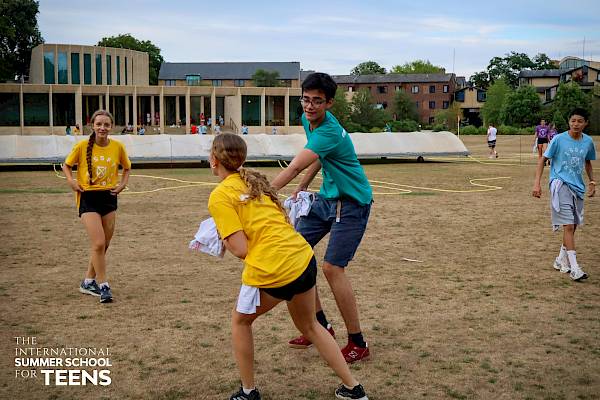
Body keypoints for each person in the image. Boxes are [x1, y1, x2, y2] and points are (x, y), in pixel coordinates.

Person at [207, 133, 369, 400]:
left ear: (214, 160)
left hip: (276, 268)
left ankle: (248, 391)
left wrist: (223, 235)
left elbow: (240, 249)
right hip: (302, 257)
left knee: (241, 321)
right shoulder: (254, 182)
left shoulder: (220, 196)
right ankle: (354, 388)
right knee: (310, 325)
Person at [271, 72, 373, 363]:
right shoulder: (308, 120)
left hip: (352, 203)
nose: (309, 106)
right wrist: (303, 186)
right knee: (295, 254)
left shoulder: (329, 130)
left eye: (317, 101)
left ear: (329, 103)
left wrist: (262, 194)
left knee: (331, 268)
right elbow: (318, 156)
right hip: (326, 199)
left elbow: (293, 167)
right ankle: (320, 327)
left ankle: (358, 342)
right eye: (306, 99)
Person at [62, 110, 132, 303]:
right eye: (99, 124)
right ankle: (104, 286)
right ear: (92, 125)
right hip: (88, 197)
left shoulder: (117, 146)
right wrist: (71, 181)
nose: (102, 128)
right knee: (99, 243)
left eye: (106, 125)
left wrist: (122, 185)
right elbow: (66, 165)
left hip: (109, 197)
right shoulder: (82, 146)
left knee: (103, 244)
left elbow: (127, 167)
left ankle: (87, 281)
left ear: (111, 127)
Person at [532, 108, 596, 282]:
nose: (576, 124)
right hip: (560, 184)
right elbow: (543, 160)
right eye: (573, 121)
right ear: (569, 122)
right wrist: (537, 183)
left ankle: (561, 259)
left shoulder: (588, 141)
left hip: (578, 187)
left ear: (585, 123)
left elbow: (588, 162)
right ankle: (575, 268)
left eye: (580, 121)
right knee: (568, 225)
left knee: (573, 225)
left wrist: (592, 182)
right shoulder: (559, 139)